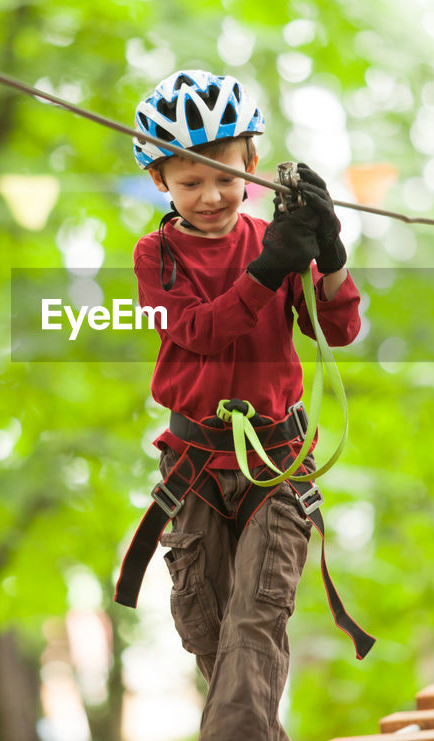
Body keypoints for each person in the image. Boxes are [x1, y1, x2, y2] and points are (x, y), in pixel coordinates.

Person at [115, 69, 367, 740]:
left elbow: (336, 328)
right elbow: (197, 332)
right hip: (194, 465)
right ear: (160, 182)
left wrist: (330, 256)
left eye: (224, 176)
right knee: (211, 633)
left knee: (257, 617)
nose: (210, 196)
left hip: (276, 464)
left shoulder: (271, 240)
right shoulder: (156, 255)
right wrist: (265, 272)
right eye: (190, 181)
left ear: (252, 164)